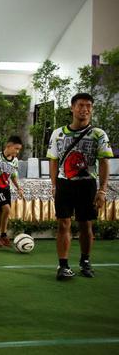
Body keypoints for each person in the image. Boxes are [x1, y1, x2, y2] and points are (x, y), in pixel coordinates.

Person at [47, 93, 112, 280]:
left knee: (86, 224)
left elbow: (104, 162)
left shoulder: (99, 134)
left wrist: (102, 190)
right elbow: (53, 160)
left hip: (87, 185)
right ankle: (63, 265)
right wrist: (54, 185)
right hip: (64, 184)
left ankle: (85, 261)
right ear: (72, 108)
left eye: (89, 105)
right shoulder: (58, 133)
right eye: (81, 105)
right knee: (63, 223)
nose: (85, 109)